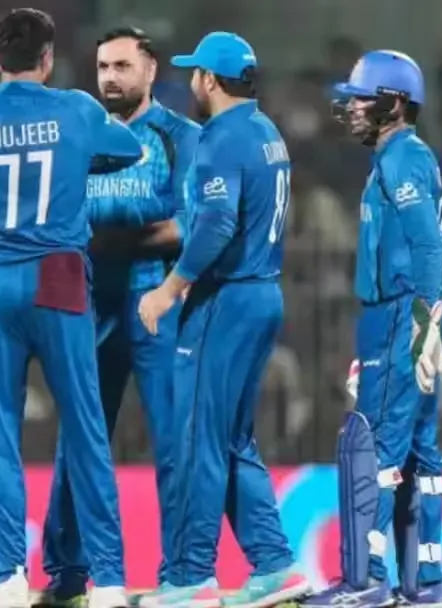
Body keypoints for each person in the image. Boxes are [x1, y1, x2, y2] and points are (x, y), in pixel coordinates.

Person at [0, 8, 143, 608]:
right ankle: (110, 580)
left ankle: (9, 578)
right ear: (48, 58)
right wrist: (79, 158)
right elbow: (126, 149)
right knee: (87, 427)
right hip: (60, 272)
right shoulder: (76, 109)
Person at [137, 32, 310, 608]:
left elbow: (215, 224)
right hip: (262, 294)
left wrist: (169, 290)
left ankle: (190, 578)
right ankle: (275, 565)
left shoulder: (221, 137)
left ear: (209, 80)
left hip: (225, 300)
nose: (191, 82)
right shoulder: (265, 132)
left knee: (197, 439)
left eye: (195, 73)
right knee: (233, 440)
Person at [38, 25, 198, 608]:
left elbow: (193, 225)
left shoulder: (180, 137)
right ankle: (67, 574)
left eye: (122, 66)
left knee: (173, 442)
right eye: (103, 67)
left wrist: (117, 240)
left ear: (150, 70)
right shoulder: (78, 135)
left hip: (158, 303)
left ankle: (181, 573)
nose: (110, 77)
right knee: (80, 440)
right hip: (91, 303)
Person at [302, 50, 442, 608]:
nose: (353, 108)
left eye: (363, 98)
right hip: (401, 317)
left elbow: (427, 245)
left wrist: (423, 323)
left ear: (395, 103)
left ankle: (364, 581)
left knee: (371, 445)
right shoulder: (405, 157)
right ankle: (425, 583)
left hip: (399, 315)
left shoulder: (401, 159)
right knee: (418, 450)